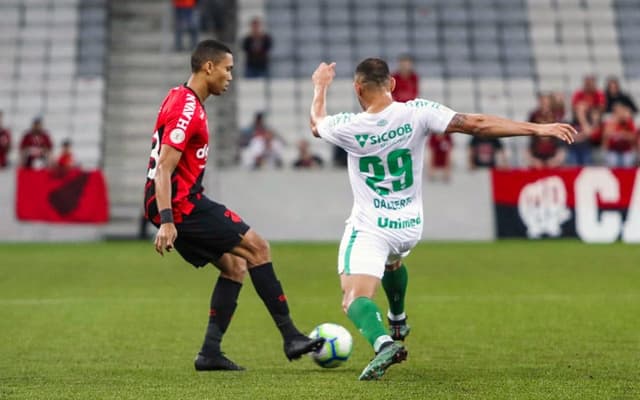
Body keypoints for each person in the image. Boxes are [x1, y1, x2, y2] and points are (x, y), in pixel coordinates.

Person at [309, 59, 576, 380]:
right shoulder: (418, 111)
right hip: (409, 225)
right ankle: (398, 316)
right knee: (393, 262)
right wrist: (536, 128)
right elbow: (475, 123)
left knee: (353, 299)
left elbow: (316, 123)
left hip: (371, 226)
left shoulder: (349, 126)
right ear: (392, 84)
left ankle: (383, 344)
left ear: (357, 88)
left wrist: (320, 85)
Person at [144, 40, 323, 372]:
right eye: (227, 69)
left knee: (235, 266)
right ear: (208, 67)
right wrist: (168, 220)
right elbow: (164, 168)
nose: (230, 76)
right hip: (182, 204)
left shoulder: (182, 98)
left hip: (180, 201)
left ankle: (209, 353)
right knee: (258, 248)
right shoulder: (186, 108)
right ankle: (291, 337)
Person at [602, 103, 637, 167]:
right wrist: (615, 122)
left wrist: (624, 134)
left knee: (627, 163)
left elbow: (633, 137)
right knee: (613, 162)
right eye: (617, 112)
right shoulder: (610, 122)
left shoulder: (629, 122)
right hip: (613, 150)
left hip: (626, 150)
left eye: (621, 112)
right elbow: (606, 134)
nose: (620, 114)